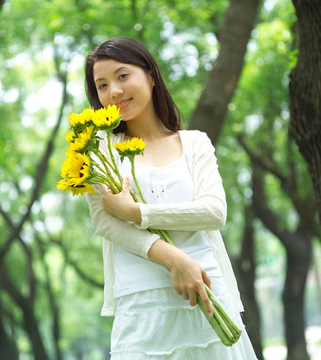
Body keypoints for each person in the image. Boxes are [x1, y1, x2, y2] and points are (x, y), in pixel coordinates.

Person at [84, 37, 258, 359]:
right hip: (143, 305)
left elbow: (214, 212)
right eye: (102, 85)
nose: (114, 91)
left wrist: (138, 212)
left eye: (123, 76)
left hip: (207, 293)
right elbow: (105, 223)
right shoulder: (99, 149)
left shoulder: (195, 144)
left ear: (150, 75)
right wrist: (175, 258)